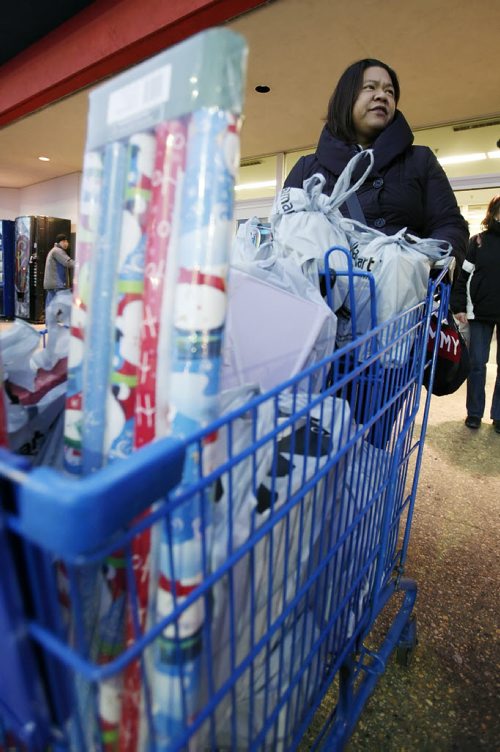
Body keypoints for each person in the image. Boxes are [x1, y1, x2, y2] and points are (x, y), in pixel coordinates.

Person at [284, 58, 469, 265]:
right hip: (327, 293)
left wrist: (428, 261)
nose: (382, 96)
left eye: (390, 92)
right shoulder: (307, 169)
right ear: (346, 98)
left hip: (405, 290)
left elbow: (448, 223)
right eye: (370, 87)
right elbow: (285, 231)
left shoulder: (419, 160)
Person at [450, 195, 500, 433]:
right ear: (494, 213)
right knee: (477, 364)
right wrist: (458, 306)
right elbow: (463, 277)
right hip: (479, 312)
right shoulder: (478, 241)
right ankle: (474, 413)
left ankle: (499, 415)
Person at [43, 233, 74, 314]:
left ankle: (50, 325)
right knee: (66, 305)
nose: (66, 243)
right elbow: (68, 263)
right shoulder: (58, 251)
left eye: (67, 241)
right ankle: (68, 325)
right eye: (64, 241)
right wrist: (81, 264)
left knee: (50, 305)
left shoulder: (53, 250)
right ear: (59, 242)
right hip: (57, 284)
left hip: (52, 283)